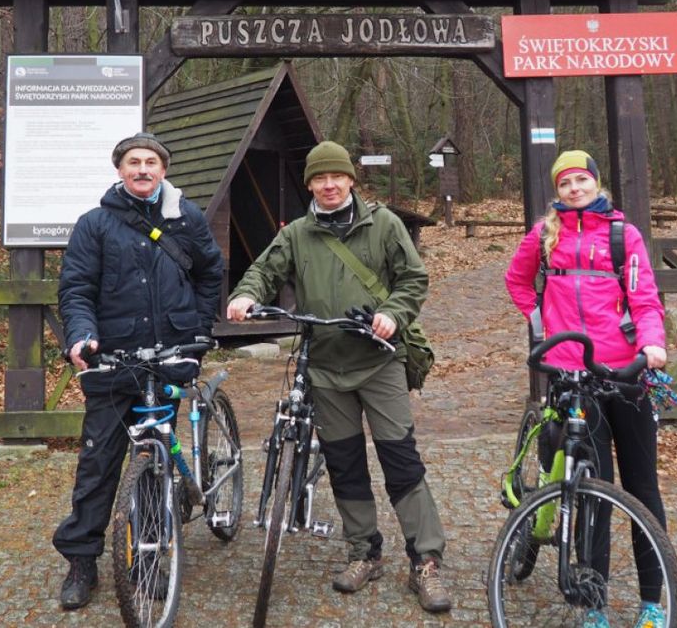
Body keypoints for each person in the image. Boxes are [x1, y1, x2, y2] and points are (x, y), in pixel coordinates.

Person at [225, 140, 452, 614]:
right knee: (345, 463)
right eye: (319, 178)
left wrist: (393, 312)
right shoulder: (297, 235)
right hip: (326, 367)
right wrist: (245, 296)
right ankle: (363, 552)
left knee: (401, 460)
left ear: (350, 180)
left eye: (337, 177)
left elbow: (414, 279)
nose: (329, 185)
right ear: (310, 184)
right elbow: (264, 271)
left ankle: (425, 559)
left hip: (378, 362)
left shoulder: (383, 224)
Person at [53, 131, 224, 610]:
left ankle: (148, 557)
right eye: (134, 162)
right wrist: (81, 335)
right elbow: (76, 289)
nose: (143, 169)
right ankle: (82, 560)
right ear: (120, 170)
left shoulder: (185, 218)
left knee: (157, 459)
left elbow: (210, 272)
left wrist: (199, 329)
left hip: (169, 355)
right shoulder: (95, 224)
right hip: (113, 362)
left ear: (163, 170)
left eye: (151, 162)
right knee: (98, 462)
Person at [504, 149, 670, 628]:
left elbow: (645, 298)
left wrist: (653, 344)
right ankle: (594, 604)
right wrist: (542, 326)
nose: (574, 188)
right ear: (556, 191)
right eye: (565, 183)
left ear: (596, 184)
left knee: (642, 487)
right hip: (573, 378)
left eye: (581, 180)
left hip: (625, 374)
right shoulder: (544, 235)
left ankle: (652, 600)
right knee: (592, 491)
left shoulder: (624, 235)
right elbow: (516, 281)